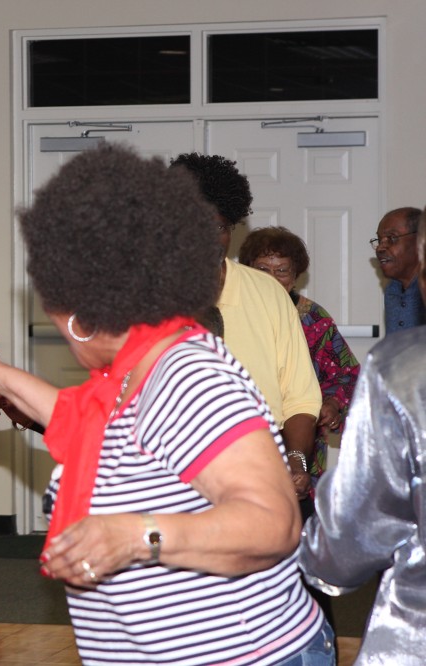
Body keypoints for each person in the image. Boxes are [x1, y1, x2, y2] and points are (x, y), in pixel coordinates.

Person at [0, 145, 332, 665]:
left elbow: (273, 523)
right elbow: (88, 425)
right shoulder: (131, 368)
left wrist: (135, 534)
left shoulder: (186, 372)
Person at [299, 208, 426, 665]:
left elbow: (362, 516)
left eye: (392, 239)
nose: (382, 250)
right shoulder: (398, 293)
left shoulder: (400, 364)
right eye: (379, 240)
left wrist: (314, 556)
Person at [171, 153, 322, 508]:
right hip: (173, 473)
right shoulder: (149, 295)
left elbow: (300, 396)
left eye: (221, 227)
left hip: (258, 471)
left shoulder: (267, 292)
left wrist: (295, 461)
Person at [239, 226, 361, 492]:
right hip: (241, 442)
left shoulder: (313, 318)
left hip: (302, 447)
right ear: (245, 272)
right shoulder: (231, 313)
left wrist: (332, 402)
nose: (271, 279)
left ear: (295, 277)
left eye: (281, 271)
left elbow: (348, 373)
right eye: (262, 270)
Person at [373, 207, 424, 333]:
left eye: (392, 238)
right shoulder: (392, 289)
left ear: (420, 240)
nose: (380, 248)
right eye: (379, 240)